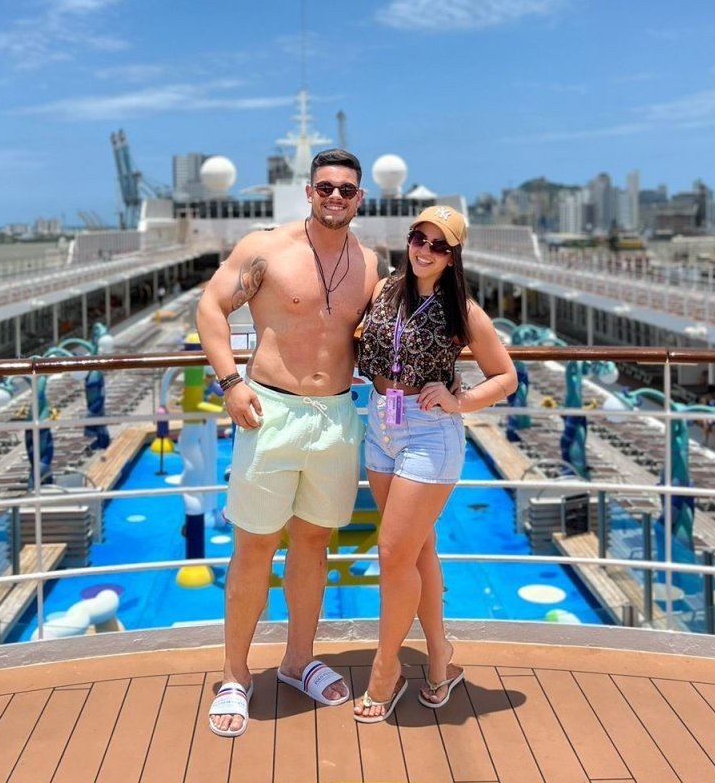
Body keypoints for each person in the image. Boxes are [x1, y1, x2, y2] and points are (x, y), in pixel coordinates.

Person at [196, 148, 381, 738]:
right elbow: (210, 307)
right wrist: (230, 383)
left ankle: (299, 661)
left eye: (346, 189)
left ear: (359, 198)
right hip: (268, 412)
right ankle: (234, 675)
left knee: (313, 543)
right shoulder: (265, 249)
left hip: (336, 416)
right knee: (253, 546)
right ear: (309, 192)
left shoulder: (368, 263)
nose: (335, 197)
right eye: (326, 187)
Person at [352, 205, 517, 723]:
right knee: (417, 551)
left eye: (439, 245)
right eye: (419, 238)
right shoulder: (385, 290)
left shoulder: (462, 311)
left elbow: (505, 377)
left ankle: (386, 671)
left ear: (453, 256)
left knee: (391, 554)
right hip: (380, 422)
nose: (425, 250)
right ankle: (440, 656)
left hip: (428, 434)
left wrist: (457, 400)